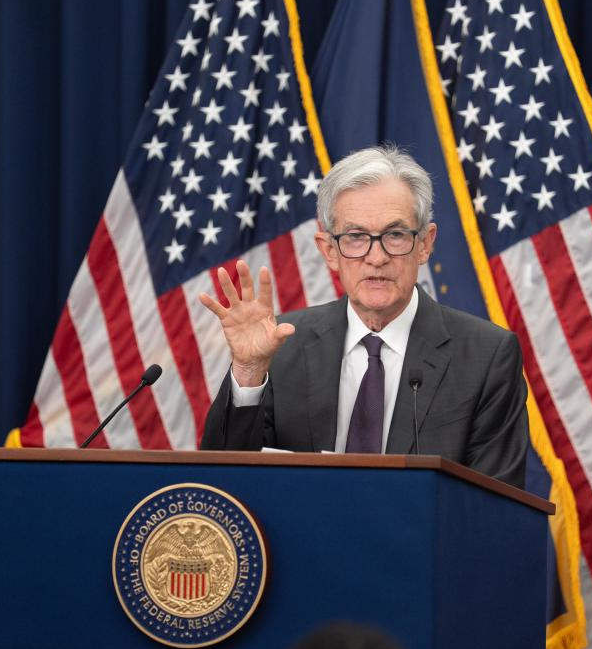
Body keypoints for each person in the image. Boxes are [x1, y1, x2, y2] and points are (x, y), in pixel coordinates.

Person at [198, 146, 528, 487]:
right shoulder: (282, 346)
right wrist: (249, 372)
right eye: (356, 237)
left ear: (425, 244)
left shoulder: (487, 357)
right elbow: (222, 484)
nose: (376, 257)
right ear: (329, 250)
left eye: (395, 235)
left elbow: (494, 502)